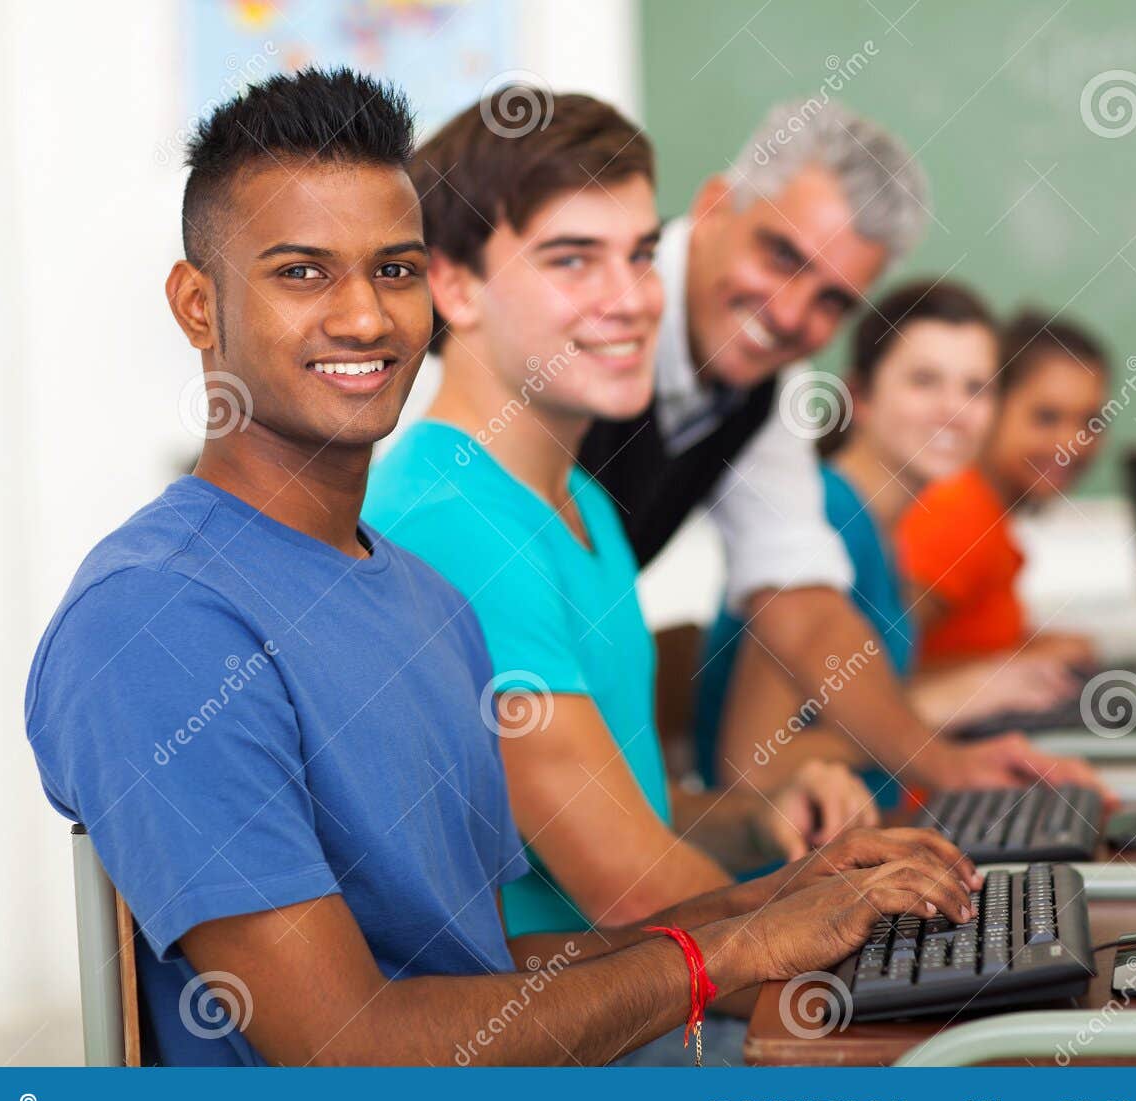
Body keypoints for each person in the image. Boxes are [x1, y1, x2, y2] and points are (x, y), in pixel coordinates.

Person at [23, 68, 977, 1067]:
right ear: (197, 305)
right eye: (302, 272)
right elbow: (348, 1046)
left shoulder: (421, 598)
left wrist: (781, 896)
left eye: (393, 270)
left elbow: (477, 963)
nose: (363, 318)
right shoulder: (159, 616)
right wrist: (727, 943)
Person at [363, 91, 877, 959]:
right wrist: (855, 933)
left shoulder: (582, 504)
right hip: (562, 1054)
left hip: (641, 1015)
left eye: (639, 255)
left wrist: (762, 825)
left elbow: (631, 813)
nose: (632, 299)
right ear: (453, 283)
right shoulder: (448, 522)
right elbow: (628, 887)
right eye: (572, 260)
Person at [575, 100, 1100, 798]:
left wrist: (948, 766)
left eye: (832, 300)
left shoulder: (768, 387)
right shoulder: (593, 316)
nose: (791, 315)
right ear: (714, 206)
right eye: (781, 255)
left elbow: (803, 603)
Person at [695, 282, 1091, 806]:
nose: (954, 410)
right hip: (796, 873)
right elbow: (751, 767)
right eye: (924, 382)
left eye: (976, 388)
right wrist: (940, 708)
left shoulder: (879, 528)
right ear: (860, 397)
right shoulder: (825, 521)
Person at [897, 310, 1110, 668]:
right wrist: (1011, 666)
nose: (1073, 442)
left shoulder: (986, 513)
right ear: (990, 407)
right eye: (1046, 417)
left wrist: (1023, 649)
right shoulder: (958, 513)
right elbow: (865, 672)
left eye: (1092, 421)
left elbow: (944, 646)